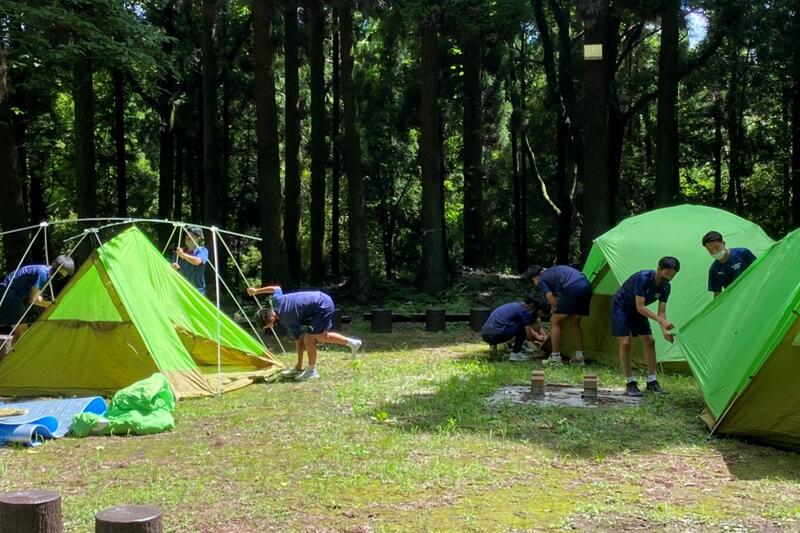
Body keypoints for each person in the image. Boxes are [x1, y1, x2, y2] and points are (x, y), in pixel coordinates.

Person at [247, 285, 362, 381]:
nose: (269, 328)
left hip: (322, 307)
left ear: (271, 319)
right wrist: (256, 291)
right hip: (322, 299)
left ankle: (312, 371)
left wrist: (299, 364)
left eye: (267, 326)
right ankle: (353, 343)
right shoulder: (276, 301)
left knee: (309, 339)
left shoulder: (287, 317)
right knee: (322, 336)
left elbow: (299, 341)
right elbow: (276, 288)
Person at [611, 257, 680, 396]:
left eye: (673, 275)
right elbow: (640, 306)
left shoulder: (666, 287)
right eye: (667, 273)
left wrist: (665, 330)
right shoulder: (643, 278)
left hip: (638, 310)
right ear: (659, 269)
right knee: (625, 343)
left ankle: (652, 381)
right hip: (621, 306)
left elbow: (661, 312)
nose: (669, 277)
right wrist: (662, 321)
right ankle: (630, 382)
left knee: (650, 341)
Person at [527, 264, 593, 366]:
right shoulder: (553, 271)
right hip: (586, 286)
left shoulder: (541, 279)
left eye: (533, 282)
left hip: (573, 288)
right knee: (575, 321)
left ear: (535, 277)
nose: (536, 284)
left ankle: (556, 358)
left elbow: (550, 296)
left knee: (554, 320)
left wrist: (554, 309)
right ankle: (579, 357)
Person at [0, 255, 75, 345]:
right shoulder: (43, 274)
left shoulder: (44, 271)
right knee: (21, 331)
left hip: (9, 293)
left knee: (20, 330)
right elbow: (34, 300)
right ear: (55, 264)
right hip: (10, 295)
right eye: (62, 271)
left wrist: (47, 304)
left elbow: (37, 296)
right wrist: (54, 305)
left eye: (65, 274)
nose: (62, 275)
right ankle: (15, 354)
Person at [480, 295, 545, 362]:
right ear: (531, 306)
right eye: (534, 310)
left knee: (500, 325)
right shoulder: (523, 311)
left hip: (485, 334)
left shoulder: (513, 305)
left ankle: (493, 347)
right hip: (497, 335)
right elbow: (528, 335)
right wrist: (538, 338)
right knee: (522, 327)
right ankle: (515, 354)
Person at [701, 231, 757, 298]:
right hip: (737, 298)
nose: (714, 252)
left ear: (723, 243)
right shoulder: (714, 270)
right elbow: (717, 294)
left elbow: (759, 269)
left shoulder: (742, 253)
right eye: (710, 250)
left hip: (755, 288)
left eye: (716, 247)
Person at [172, 226, 209, 295]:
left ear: (198, 238)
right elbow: (174, 267)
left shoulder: (202, 250)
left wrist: (183, 255)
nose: (187, 238)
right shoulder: (180, 251)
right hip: (181, 288)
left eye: (191, 236)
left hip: (197, 290)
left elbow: (197, 261)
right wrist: (174, 267)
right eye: (187, 235)